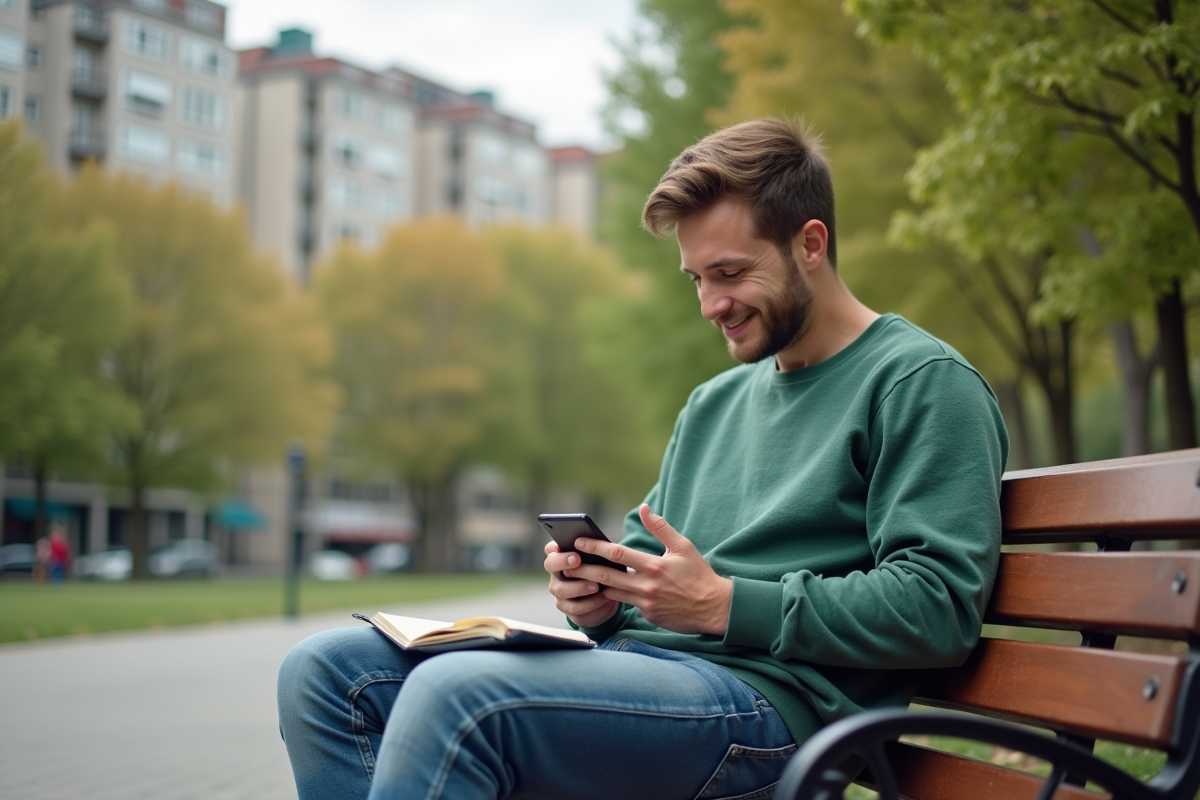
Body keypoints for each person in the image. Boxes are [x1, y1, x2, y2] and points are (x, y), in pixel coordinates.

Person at [277, 118, 1008, 800]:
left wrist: (726, 604)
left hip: (777, 710)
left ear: (809, 244)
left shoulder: (919, 383)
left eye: (729, 273)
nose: (710, 305)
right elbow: (644, 575)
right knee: (323, 672)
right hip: (659, 677)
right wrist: (594, 599)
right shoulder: (714, 403)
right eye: (696, 279)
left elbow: (938, 607)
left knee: (459, 696)